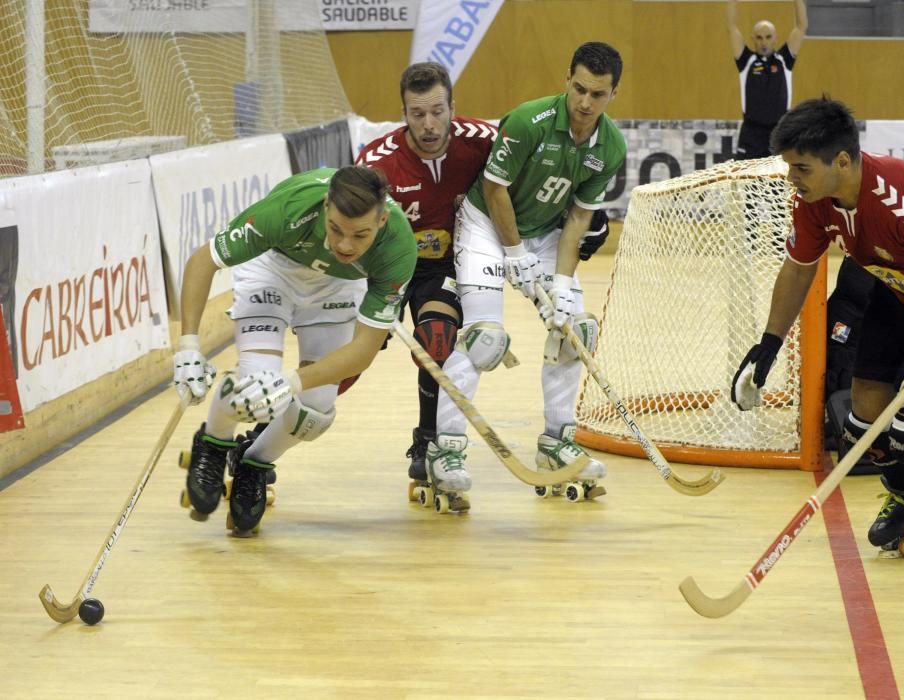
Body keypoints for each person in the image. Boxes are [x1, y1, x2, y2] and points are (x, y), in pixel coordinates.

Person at [731, 97, 904, 554]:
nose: (792, 179)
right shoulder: (814, 201)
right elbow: (797, 268)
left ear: (841, 161)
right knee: (860, 423)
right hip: (900, 297)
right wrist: (769, 342)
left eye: (801, 168)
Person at [423, 41, 627, 503]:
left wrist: (557, 285)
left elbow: (578, 218)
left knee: (573, 332)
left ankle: (557, 442)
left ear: (613, 93)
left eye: (597, 94)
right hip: (484, 226)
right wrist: (514, 255)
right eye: (578, 89)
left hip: (546, 234)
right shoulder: (527, 121)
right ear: (566, 79)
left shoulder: (611, 147)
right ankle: (447, 448)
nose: (584, 103)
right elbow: (495, 190)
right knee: (484, 338)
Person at [172, 165, 416, 535]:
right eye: (335, 229)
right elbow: (203, 261)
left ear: (382, 220)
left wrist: (292, 384)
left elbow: (364, 350)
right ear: (325, 205)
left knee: (316, 411)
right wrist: (188, 347)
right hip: (272, 271)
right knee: (256, 390)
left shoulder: (399, 246)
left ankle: (253, 464)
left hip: (337, 288)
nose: (345, 245)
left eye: (360, 235)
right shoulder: (289, 209)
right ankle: (213, 440)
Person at [355, 62, 495, 484]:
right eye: (417, 114)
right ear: (403, 113)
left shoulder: (483, 142)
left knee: (436, 337)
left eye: (438, 111)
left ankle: (429, 438)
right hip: (389, 267)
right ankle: (259, 443)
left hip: (446, 267)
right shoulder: (377, 163)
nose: (429, 124)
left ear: (454, 106)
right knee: (347, 361)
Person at [726, 0, 807, 160]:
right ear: (753, 39)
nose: (764, 42)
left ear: (775, 37)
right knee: (746, 183)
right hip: (751, 134)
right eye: (759, 37)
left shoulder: (784, 60)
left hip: (779, 132)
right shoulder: (746, 61)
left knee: (779, 183)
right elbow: (731, 27)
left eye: (768, 37)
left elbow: (801, 26)